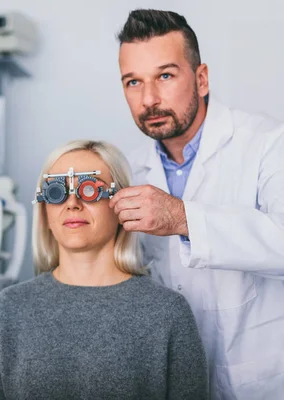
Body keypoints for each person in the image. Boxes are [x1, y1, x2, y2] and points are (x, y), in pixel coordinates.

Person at [112, 9, 284, 400]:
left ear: (201, 78)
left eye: (165, 76)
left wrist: (181, 217)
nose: (149, 99)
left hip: (259, 379)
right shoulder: (129, 168)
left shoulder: (269, 143)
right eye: (133, 82)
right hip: (169, 379)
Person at [0, 140, 208, 400]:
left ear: (121, 206)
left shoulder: (166, 312)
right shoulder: (10, 308)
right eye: (57, 191)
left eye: (89, 189)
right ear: (45, 212)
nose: (72, 203)